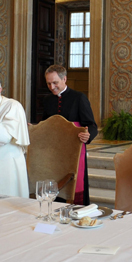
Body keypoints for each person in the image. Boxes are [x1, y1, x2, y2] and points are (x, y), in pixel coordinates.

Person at [41, 65, 98, 205]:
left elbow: (91, 125)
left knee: (74, 184)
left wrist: (87, 135)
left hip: (74, 150)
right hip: (54, 152)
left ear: (64, 79)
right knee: (56, 182)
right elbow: (45, 124)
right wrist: (36, 129)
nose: (52, 86)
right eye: (49, 83)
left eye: (55, 83)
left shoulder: (79, 98)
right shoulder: (47, 100)